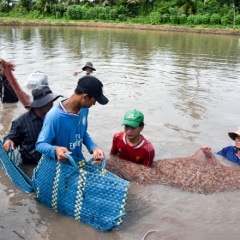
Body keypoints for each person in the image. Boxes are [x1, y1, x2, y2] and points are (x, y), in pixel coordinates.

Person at [36, 75, 108, 162]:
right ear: (85, 97)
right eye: (94, 100)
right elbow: (40, 145)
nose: (94, 103)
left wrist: (93, 147)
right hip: (61, 166)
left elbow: (82, 133)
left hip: (78, 161)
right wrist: (56, 149)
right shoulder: (54, 116)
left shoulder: (84, 109)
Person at [3, 85, 62, 164]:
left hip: (52, 162)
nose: (51, 104)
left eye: (51, 101)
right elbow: (11, 137)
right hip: (31, 164)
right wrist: (8, 141)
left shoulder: (55, 118)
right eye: (47, 102)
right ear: (38, 104)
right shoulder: (21, 122)